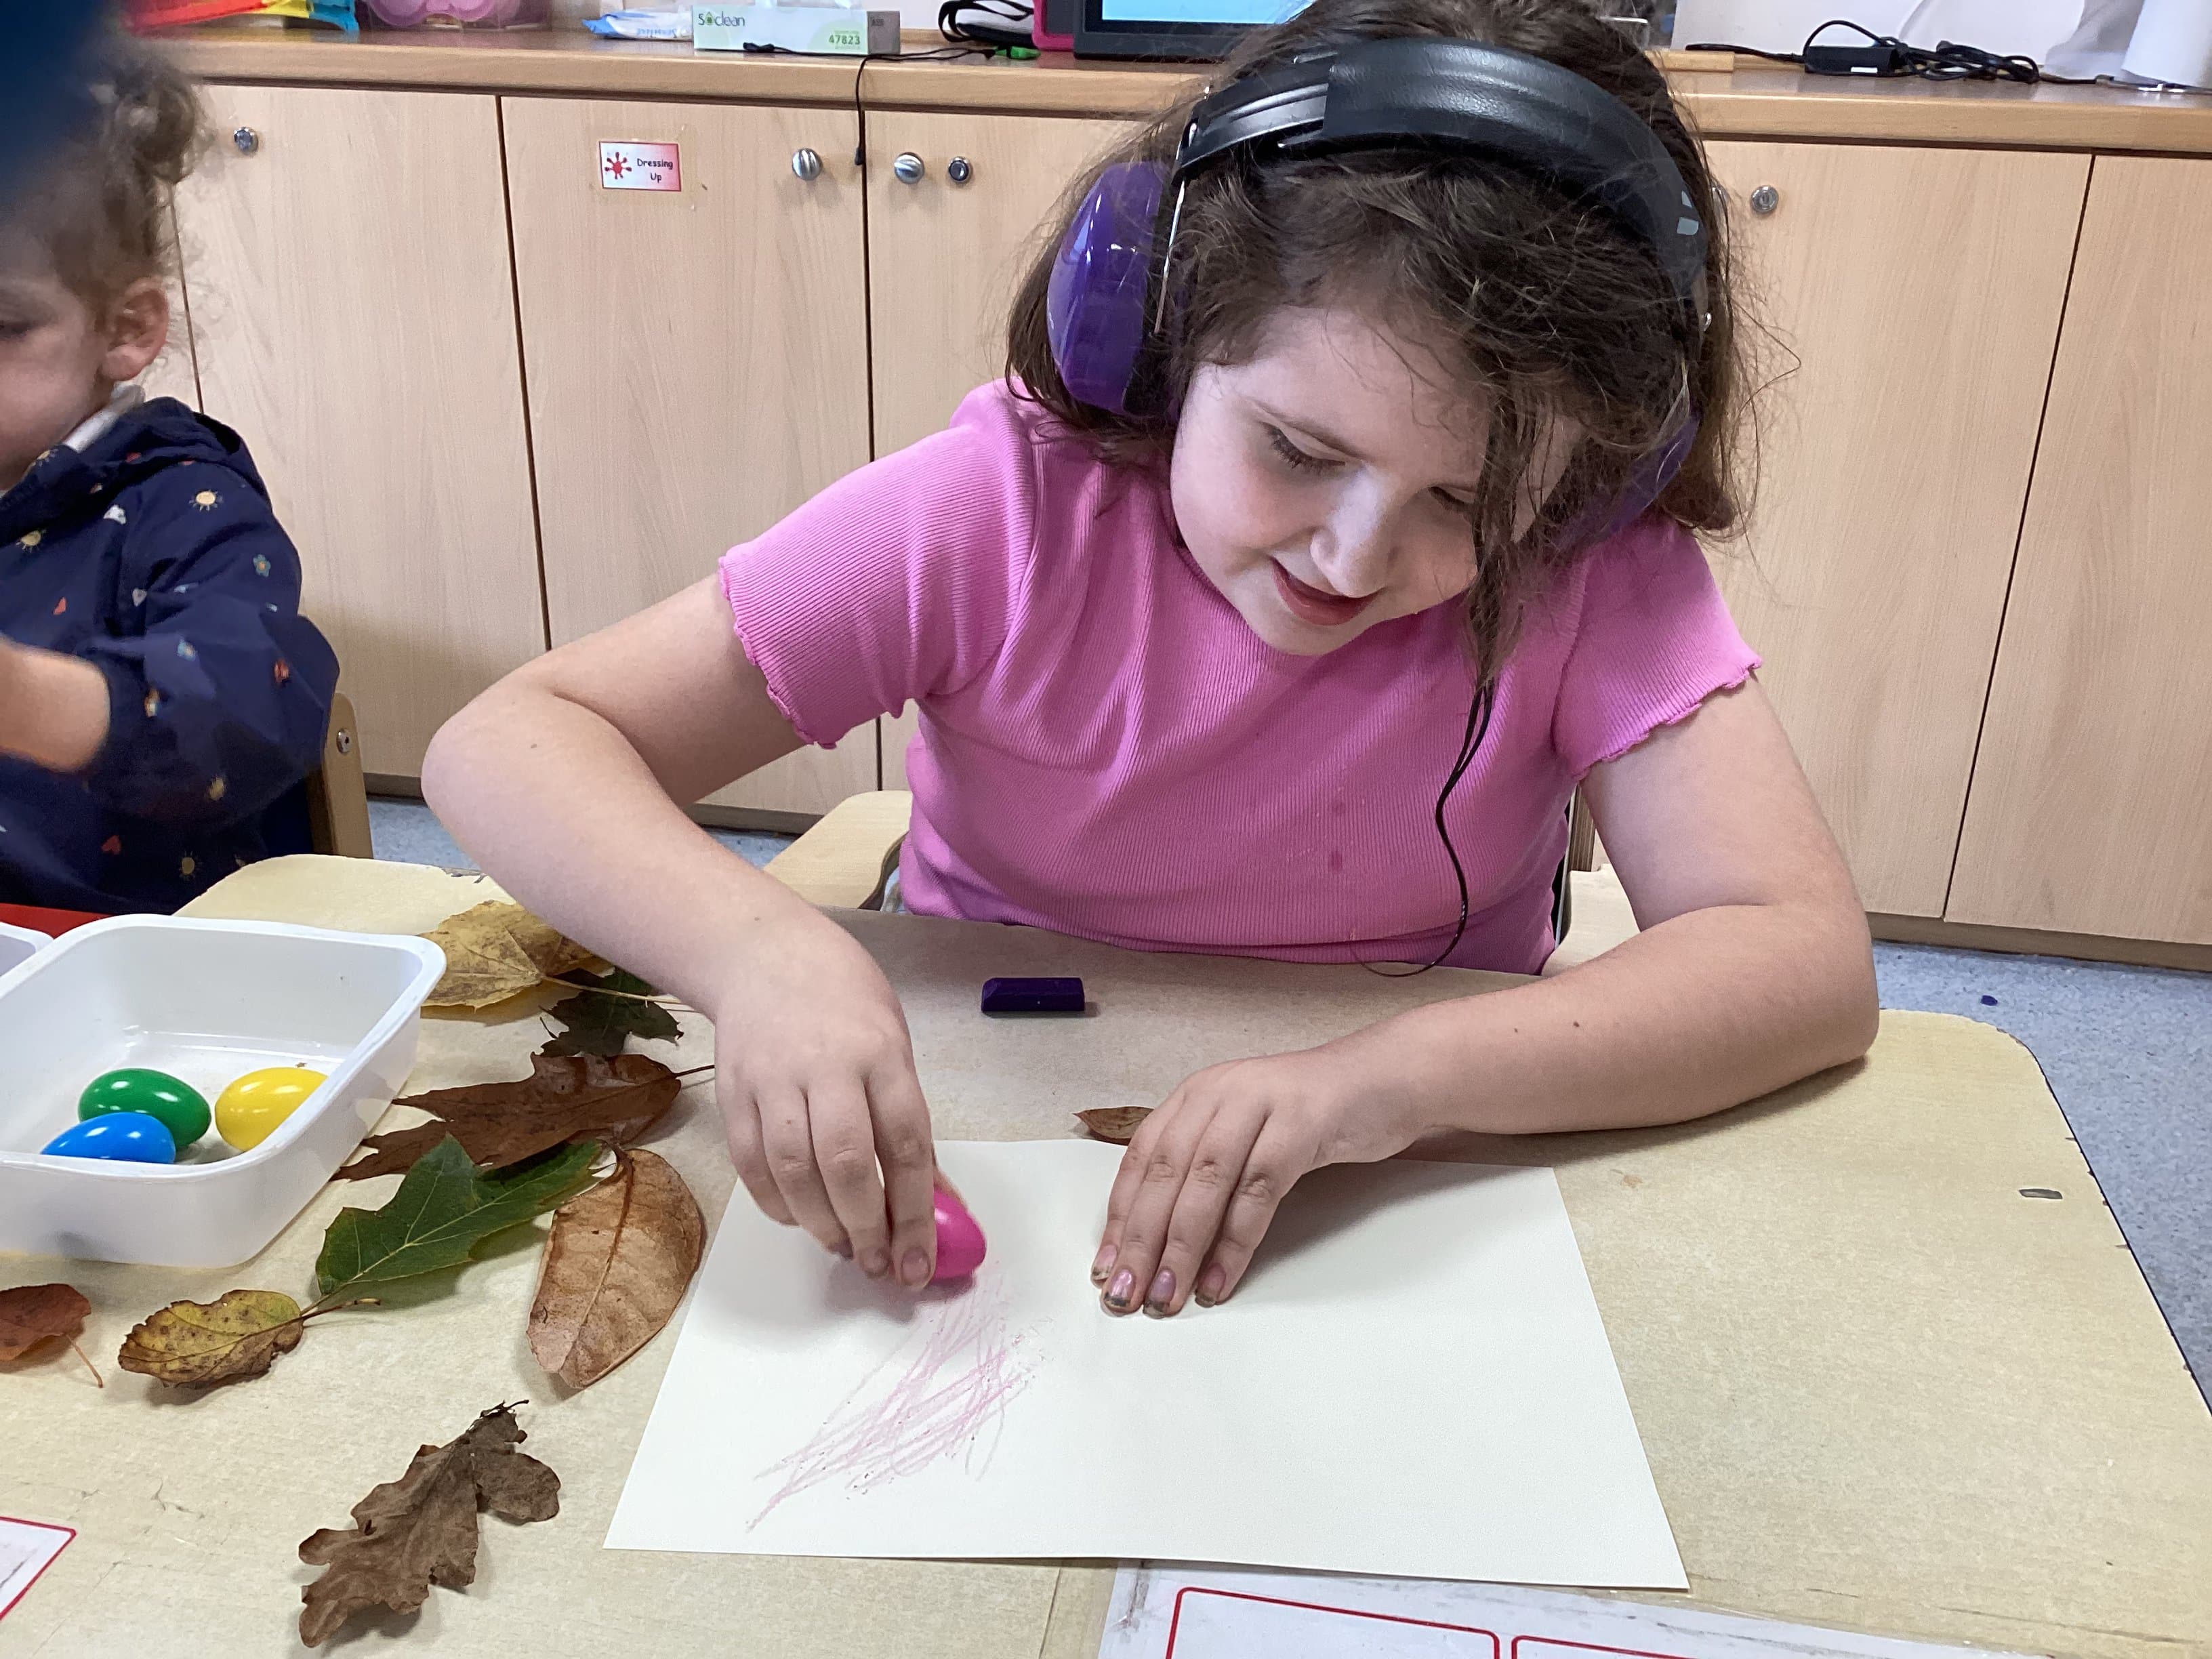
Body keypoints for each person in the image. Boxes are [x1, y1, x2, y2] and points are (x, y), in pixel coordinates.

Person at [424, 0, 1878, 1317]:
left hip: (1400, 1144)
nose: (1355, 560)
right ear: (1159, 333)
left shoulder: (1593, 563)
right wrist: (756, 951)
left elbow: (1801, 962)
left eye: (1464, 505)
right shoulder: (998, 510)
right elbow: (512, 740)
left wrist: (1394, 1078)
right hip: (991, 1063)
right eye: (1298, 452)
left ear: (1602, 476)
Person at [0, 37, 339, 914]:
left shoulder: (185, 505)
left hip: (132, 967)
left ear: (125, 327)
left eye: (2, 327)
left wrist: (29, 699)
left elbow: (251, 709)